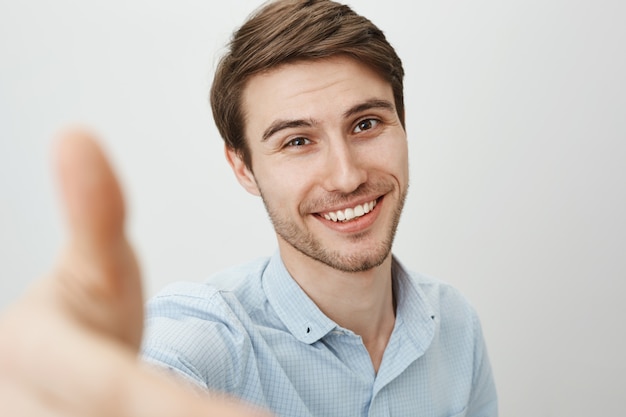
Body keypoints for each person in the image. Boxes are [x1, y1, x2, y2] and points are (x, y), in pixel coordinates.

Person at [0, 0, 497, 416]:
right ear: (243, 168)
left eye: (366, 124)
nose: (347, 176)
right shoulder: (213, 340)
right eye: (298, 140)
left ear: (402, 125)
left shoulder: (455, 326)